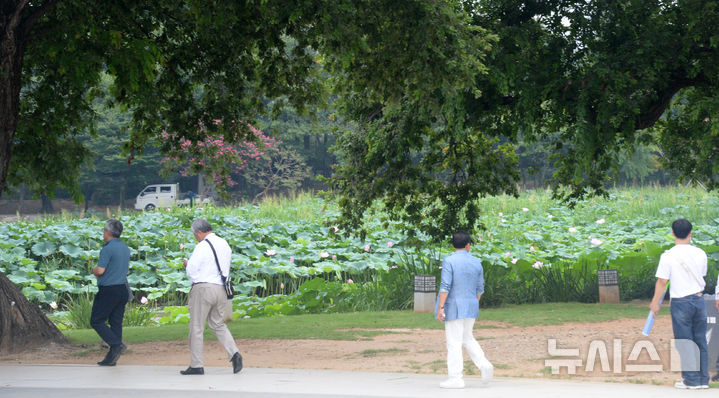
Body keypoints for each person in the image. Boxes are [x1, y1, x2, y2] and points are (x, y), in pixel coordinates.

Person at [650, 218, 709, 389]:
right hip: (699, 300)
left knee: (685, 340)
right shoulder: (701, 253)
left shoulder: (668, 256)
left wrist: (655, 303)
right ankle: (703, 379)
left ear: (673, 233)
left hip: (680, 301)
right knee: (700, 340)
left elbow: (662, 282)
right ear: (690, 233)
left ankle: (690, 380)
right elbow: (702, 274)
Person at [181, 218, 242, 375]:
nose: (195, 237)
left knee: (196, 327)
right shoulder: (224, 244)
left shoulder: (202, 246)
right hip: (221, 289)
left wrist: (187, 265)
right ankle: (234, 353)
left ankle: (196, 365)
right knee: (218, 324)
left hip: (203, 289)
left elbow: (193, 270)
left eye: (195, 234)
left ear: (200, 232)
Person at [435, 231, 493, 389]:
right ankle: (484, 364)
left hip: (454, 306)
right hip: (471, 304)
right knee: (467, 338)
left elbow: (445, 286)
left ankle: (456, 378)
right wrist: (474, 303)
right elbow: (480, 288)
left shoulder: (449, 261)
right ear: (468, 245)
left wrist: (441, 307)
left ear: (453, 244)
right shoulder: (476, 262)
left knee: (453, 342)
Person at [91, 219, 131, 366]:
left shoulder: (107, 249)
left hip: (108, 289)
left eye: (104, 231)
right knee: (116, 322)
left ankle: (116, 344)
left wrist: (94, 270)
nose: (103, 233)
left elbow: (100, 270)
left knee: (96, 320)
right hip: (122, 288)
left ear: (108, 232)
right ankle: (111, 357)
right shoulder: (125, 248)